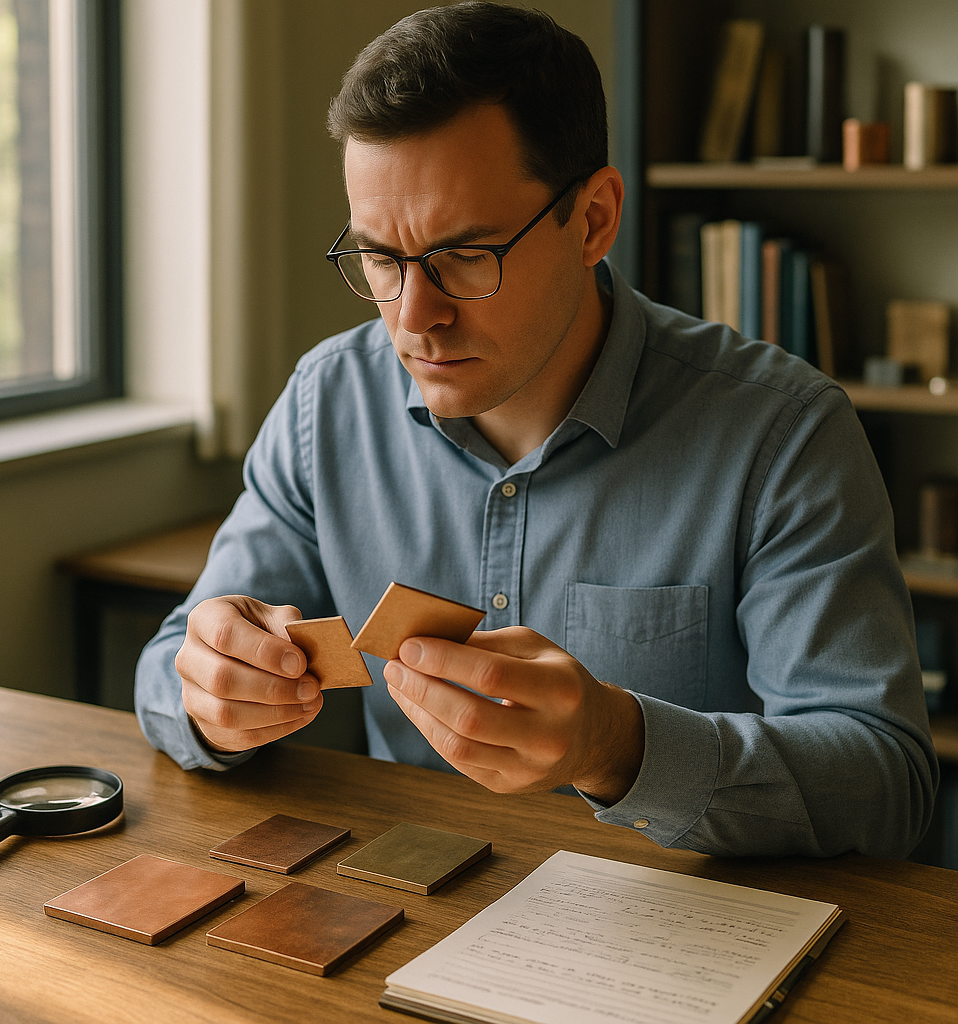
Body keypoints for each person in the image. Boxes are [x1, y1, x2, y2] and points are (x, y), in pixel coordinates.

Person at [135, 2, 937, 858]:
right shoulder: (323, 405)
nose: (414, 318)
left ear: (593, 219)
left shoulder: (784, 434)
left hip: (688, 939)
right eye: (379, 257)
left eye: (463, 256)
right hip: (410, 909)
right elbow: (171, 666)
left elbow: (885, 784)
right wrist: (213, 696)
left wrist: (617, 747)